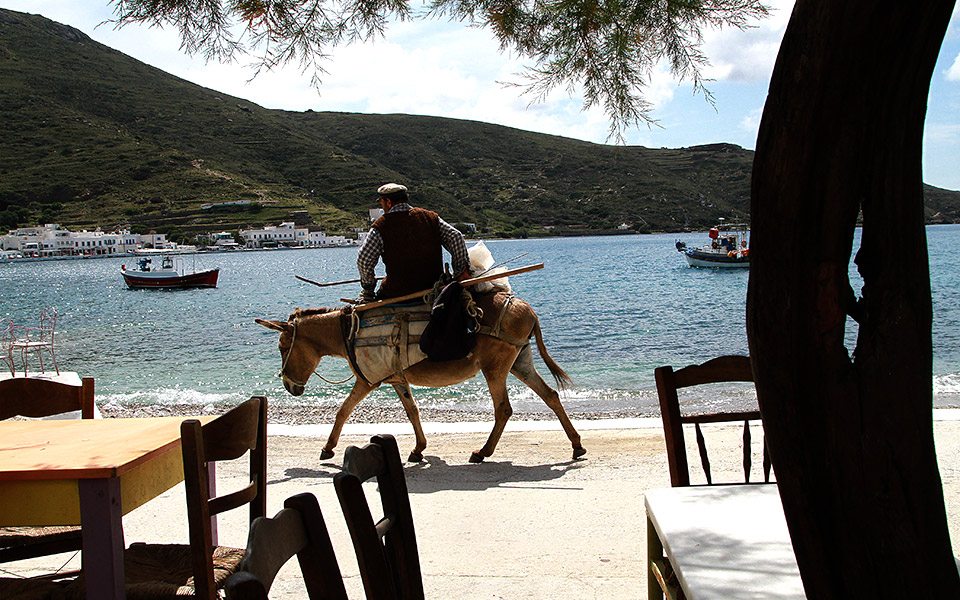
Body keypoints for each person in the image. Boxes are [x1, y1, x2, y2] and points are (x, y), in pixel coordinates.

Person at [357, 183, 470, 302]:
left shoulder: (381, 226)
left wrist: (368, 287)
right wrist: (460, 272)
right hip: (434, 288)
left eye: (382, 203)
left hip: (397, 293)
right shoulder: (430, 217)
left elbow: (364, 259)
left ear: (388, 202)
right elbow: (455, 236)